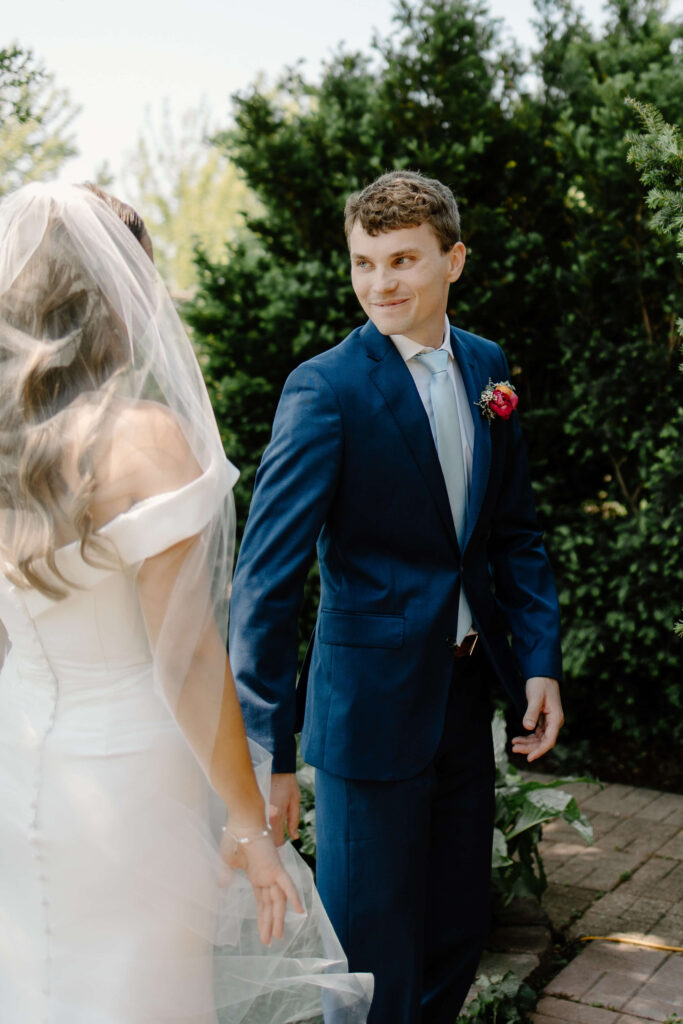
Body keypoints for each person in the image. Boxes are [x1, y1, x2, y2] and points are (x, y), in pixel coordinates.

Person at [0, 181, 372, 1023]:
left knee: (35, 984)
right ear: (112, 299)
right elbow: (190, 657)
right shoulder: (139, 438)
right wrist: (246, 821)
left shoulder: (8, 445)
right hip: (129, 781)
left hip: (20, 758)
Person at [229, 170, 564, 1023]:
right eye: (363, 263)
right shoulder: (326, 389)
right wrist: (268, 750)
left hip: (463, 697)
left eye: (403, 260)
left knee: (455, 932)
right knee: (371, 957)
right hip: (366, 718)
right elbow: (266, 579)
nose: (381, 283)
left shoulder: (487, 366)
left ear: (453, 260)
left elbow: (513, 531)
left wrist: (538, 664)